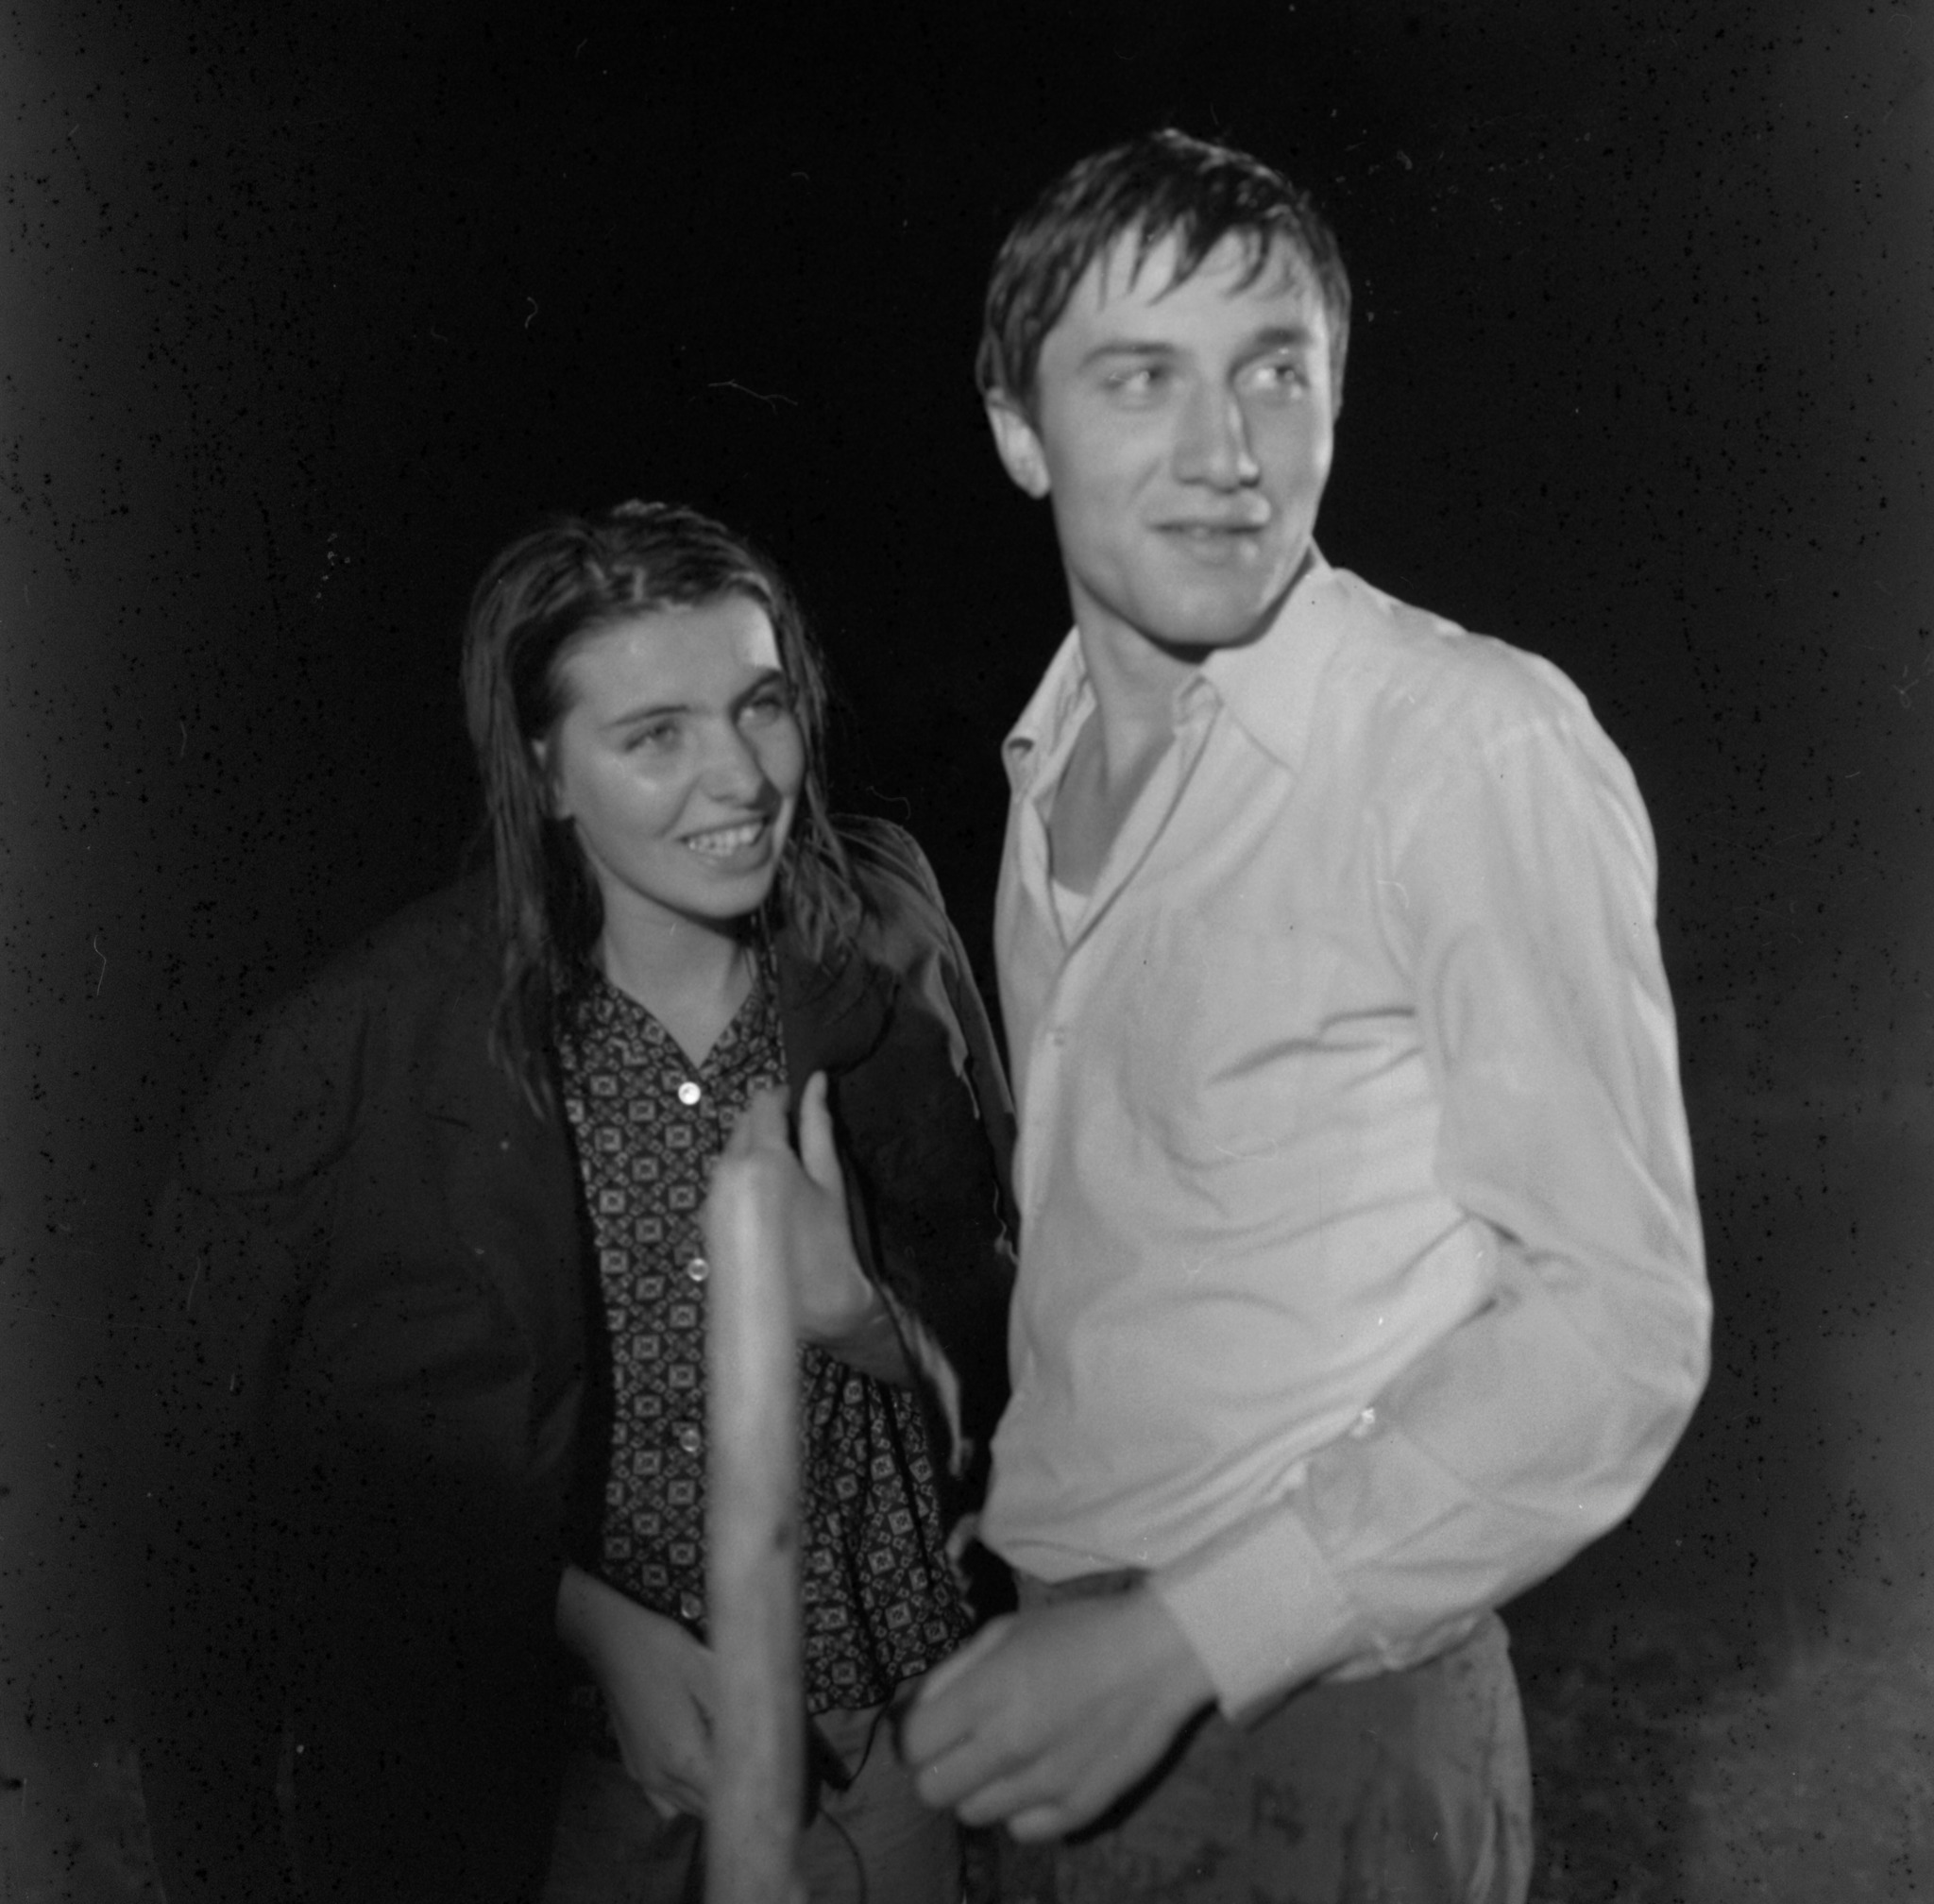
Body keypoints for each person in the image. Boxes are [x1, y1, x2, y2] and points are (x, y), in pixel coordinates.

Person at [902, 129, 1711, 1902]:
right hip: (1061, 1682)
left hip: (1324, 1722)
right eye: (1141, 380)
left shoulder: (1465, 745)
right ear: (1019, 430)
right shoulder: (1046, 764)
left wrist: (1178, 1644)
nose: (1228, 452)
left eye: (1275, 371)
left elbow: (1619, 1328)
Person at [135, 501, 1015, 1903]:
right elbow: (280, 1482)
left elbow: (1014, 1345)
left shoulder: (887, 953)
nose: (742, 777)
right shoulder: (368, 1052)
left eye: (763, 705)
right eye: (655, 735)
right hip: (563, 1774)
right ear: (544, 771)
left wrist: (863, 1318)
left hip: (878, 1736)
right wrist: (583, 1622)